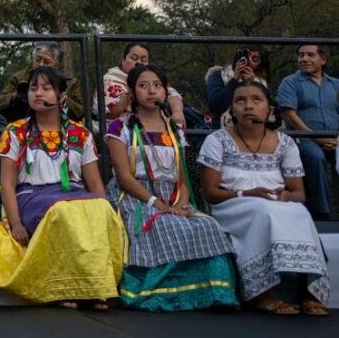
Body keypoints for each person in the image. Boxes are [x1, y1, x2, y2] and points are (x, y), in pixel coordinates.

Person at [0, 66, 125, 310]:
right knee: (62, 212)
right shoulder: (16, 131)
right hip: (31, 196)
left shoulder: (80, 133)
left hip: (73, 194)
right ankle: (63, 287)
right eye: (33, 88)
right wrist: (16, 223)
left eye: (46, 88)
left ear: (61, 97)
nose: (38, 93)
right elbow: (7, 184)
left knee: (97, 209)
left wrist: (103, 210)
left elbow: (94, 184)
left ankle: (95, 288)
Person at [106, 65, 238, 311]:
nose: (151, 91)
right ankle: (156, 294)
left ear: (165, 91)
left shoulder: (173, 128)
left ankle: (209, 291)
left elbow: (182, 174)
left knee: (207, 225)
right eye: (143, 86)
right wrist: (156, 203)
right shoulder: (120, 128)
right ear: (133, 93)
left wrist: (182, 203)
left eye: (157, 85)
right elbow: (124, 177)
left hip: (174, 194)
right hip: (136, 195)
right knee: (161, 223)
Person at [199, 81, 330, 316]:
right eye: (240, 100)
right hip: (232, 206)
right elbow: (210, 193)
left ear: (269, 109)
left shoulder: (285, 143)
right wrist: (245, 193)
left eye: (256, 100)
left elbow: (299, 194)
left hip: (274, 204)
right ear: (232, 109)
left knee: (300, 213)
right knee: (263, 211)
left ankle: (307, 290)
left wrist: (286, 195)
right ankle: (260, 293)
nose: (248, 106)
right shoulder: (217, 140)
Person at [276, 44, 339, 219]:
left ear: (323, 59)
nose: (304, 59)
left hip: (336, 139)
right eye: (301, 55)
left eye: (311, 55)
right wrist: (316, 137)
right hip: (304, 140)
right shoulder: (290, 82)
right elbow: (289, 114)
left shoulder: (336, 85)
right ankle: (321, 215)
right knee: (315, 157)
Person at [0, 42, 83, 121]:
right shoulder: (19, 77)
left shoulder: (70, 82)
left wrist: (63, 99)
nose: (40, 65)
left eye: (47, 62)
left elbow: (81, 111)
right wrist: (16, 95)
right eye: (37, 60)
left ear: (57, 65)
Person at [97, 43, 185, 126]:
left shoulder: (152, 77)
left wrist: (177, 112)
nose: (139, 63)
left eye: (144, 60)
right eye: (134, 58)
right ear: (123, 60)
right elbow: (109, 114)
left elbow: (171, 93)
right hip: (122, 129)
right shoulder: (109, 80)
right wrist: (129, 92)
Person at [206, 46, 269, 127]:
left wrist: (252, 85)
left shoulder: (261, 84)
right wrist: (234, 80)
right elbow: (215, 106)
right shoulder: (218, 75)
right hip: (223, 131)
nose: (248, 60)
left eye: (255, 59)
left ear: (259, 65)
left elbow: (263, 111)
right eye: (246, 55)